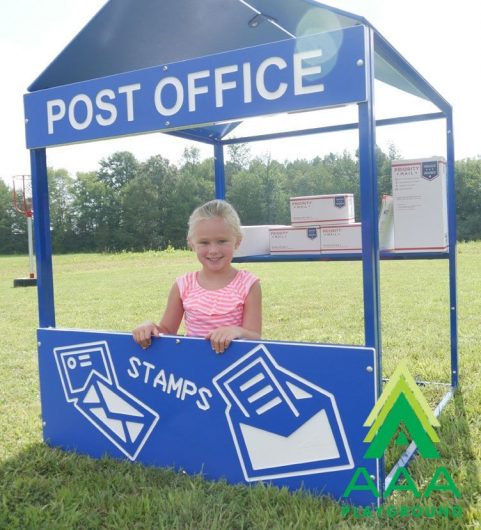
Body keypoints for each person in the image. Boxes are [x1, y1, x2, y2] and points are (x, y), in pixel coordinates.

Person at [133, 199, 262, 354]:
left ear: (237, 241)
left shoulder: (248, 285)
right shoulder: (183, 285)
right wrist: (149, 327)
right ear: (192, 244)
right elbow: (166, 332)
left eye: (221, 241)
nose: (213, 250)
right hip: (193, 370)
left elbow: (254, 336)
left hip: (234, 370)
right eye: (204, 242)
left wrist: (237, 331)